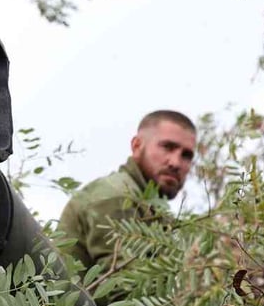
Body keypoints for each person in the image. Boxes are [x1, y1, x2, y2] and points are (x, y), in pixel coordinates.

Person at [58, 110, 196, 270]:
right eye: (167, 147)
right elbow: (124, 286)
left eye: (186, 155)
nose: (176, 162)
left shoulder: (149, 205)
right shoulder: (115, 195)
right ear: (137, 146)